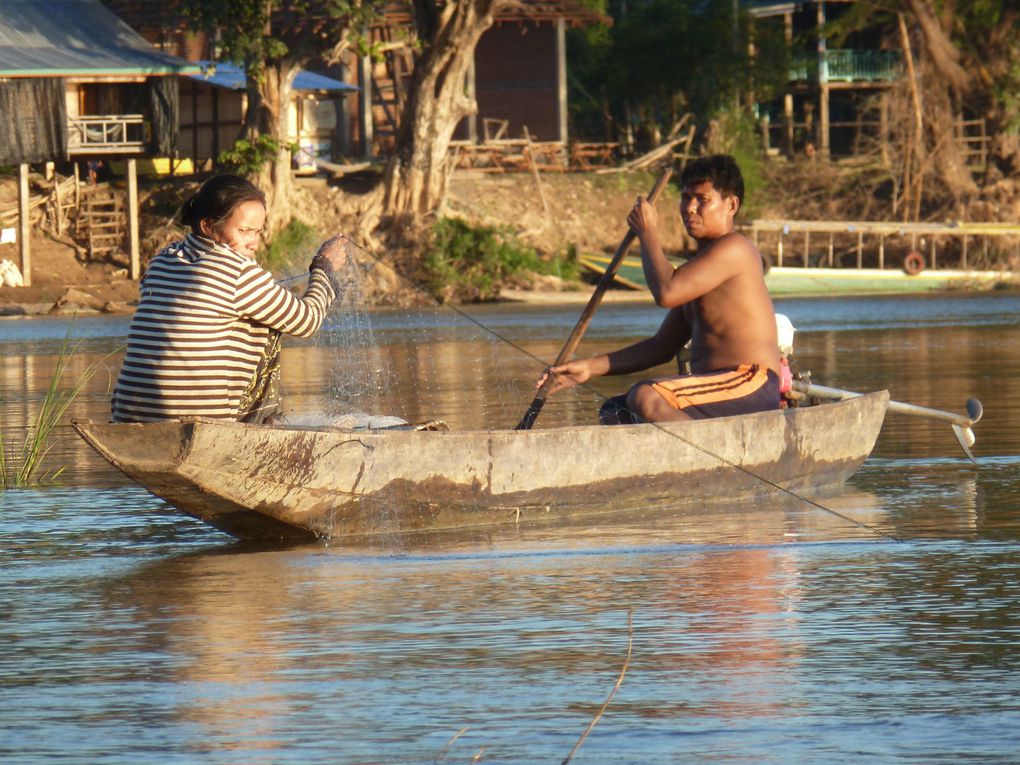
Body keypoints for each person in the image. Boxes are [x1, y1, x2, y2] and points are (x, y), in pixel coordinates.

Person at [537, 154, 780, 424]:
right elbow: (662, 346)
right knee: (615, 411)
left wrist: (648, 233)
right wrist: (588, 368)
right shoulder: (699, 268)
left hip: (750, 382)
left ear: (731, 205)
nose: (690, 208)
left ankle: (706, 459)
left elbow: (666, 292)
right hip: (715, 387)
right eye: (686, 198)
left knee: (646, 397)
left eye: (702, 199)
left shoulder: (735, 248)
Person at [111, 174, 348, 424]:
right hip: (201, 421)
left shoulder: (162, 259)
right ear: (207, 227)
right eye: (244, 231)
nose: (254, 242)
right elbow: (307, 321)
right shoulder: (237, 271)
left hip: (127, 415)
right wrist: (324, 268)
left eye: (257, 232)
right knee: (269, 326)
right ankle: (258, 425)